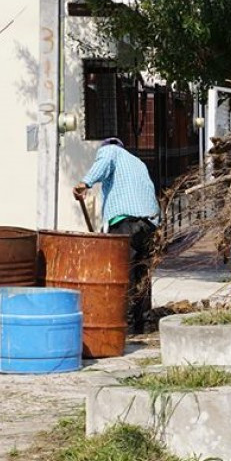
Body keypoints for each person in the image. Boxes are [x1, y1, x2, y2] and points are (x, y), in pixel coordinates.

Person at [73, 137, 161, 334]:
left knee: (122, 273)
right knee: (142, 273)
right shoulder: (138, 162)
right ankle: (144, 324)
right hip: (149, 222)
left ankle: (126, 325)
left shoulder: (110, 151)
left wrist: (84, 183)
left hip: (125, 222)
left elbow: (103, 163)